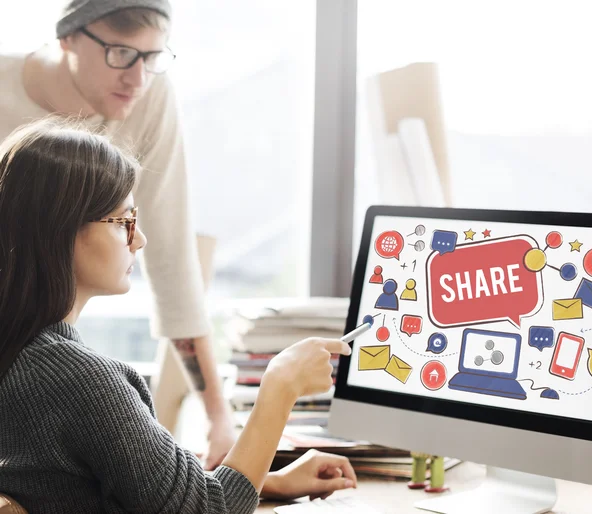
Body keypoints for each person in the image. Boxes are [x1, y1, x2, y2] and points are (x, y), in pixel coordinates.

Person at [0, 118, 357, 513]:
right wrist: (280, 387)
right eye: (124, 222)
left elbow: (99, 488)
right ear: (61, 231)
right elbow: (208, 510)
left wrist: (266, 482)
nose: (140, 239)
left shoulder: (23, 357)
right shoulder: (78, 380)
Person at [0, 0, 236, 468]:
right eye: (121, 54)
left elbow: (170, 258)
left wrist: (218, 417)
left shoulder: (150, 95)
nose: (138, 78)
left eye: (153, 58)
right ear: (67, 37)